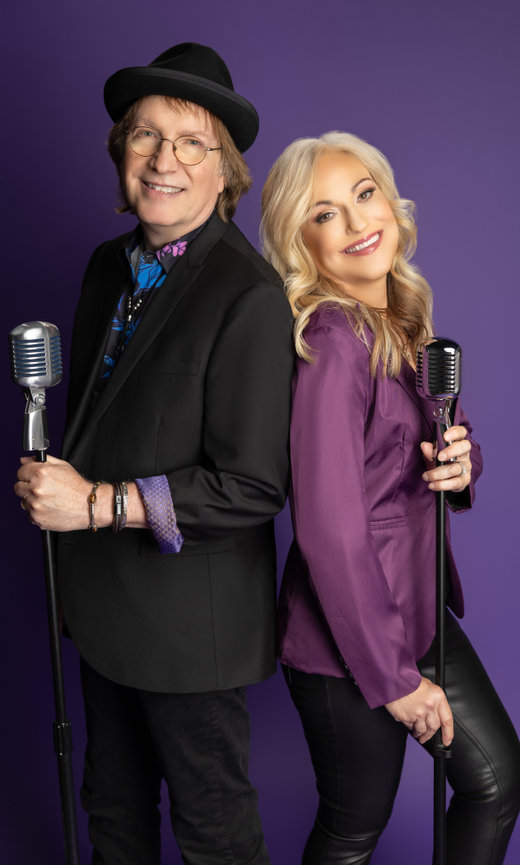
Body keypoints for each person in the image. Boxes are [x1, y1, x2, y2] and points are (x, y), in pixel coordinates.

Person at [15, 43, 294, 865]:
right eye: (144, 135)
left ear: (225, 172)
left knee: (214, 834)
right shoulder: (108, 267)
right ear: (120, 152)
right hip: (101, 606)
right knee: (114, 813)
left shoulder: (248, 295)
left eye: (191, 142)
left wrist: (96, 503)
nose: (163, 159)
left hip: (188, 628)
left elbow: (252, 484)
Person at [260, 132, 520, 865]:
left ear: (390, 201)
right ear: (301, 243)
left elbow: (438, 436)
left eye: (364, 194)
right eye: (324, 214)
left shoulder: (401, 315)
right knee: (353, 831)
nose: (355, 221)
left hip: (418, 610)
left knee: (495, 781)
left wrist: (461, 466)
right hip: (347, 640)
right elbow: (328, 528)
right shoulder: (331, 342)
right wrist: (393, 681)